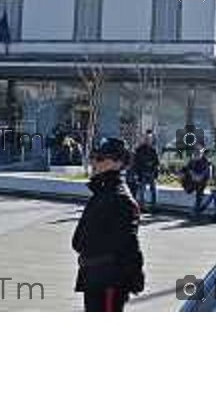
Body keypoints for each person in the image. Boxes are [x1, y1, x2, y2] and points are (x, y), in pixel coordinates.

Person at [72, 138, 145, 312]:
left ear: (118, 163)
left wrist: (135, 276)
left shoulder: (119, 198)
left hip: (108, 279)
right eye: (94, 157)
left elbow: (129, 245)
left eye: (101, 158)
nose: (94, 162)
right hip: (95, 276)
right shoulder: (103, 191)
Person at [133, 130, 160, 210]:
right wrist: (137, 172)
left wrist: (154, 170)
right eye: (147, 138)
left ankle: (153, 205)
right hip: (143, 171)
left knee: (153, 190)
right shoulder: (140, 149)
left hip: (151, 171)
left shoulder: (153, 150)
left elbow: (156, 161)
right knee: (142, 190)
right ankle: (142, 206)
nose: (149, 140)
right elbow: (137, 161)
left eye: (150, 139)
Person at [180, 149, 212, 215]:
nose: (196, 156)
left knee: (199, 191)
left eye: (198, 154)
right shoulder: (192, 161)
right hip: (193, 180)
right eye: (195, 154)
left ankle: (196, 210)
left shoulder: (206, 162)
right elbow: (185, 169)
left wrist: (194, 175)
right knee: (188, 183)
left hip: (203, 180)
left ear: (201, 154)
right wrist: (182, 173)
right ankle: (189, 189)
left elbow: (203, 175)